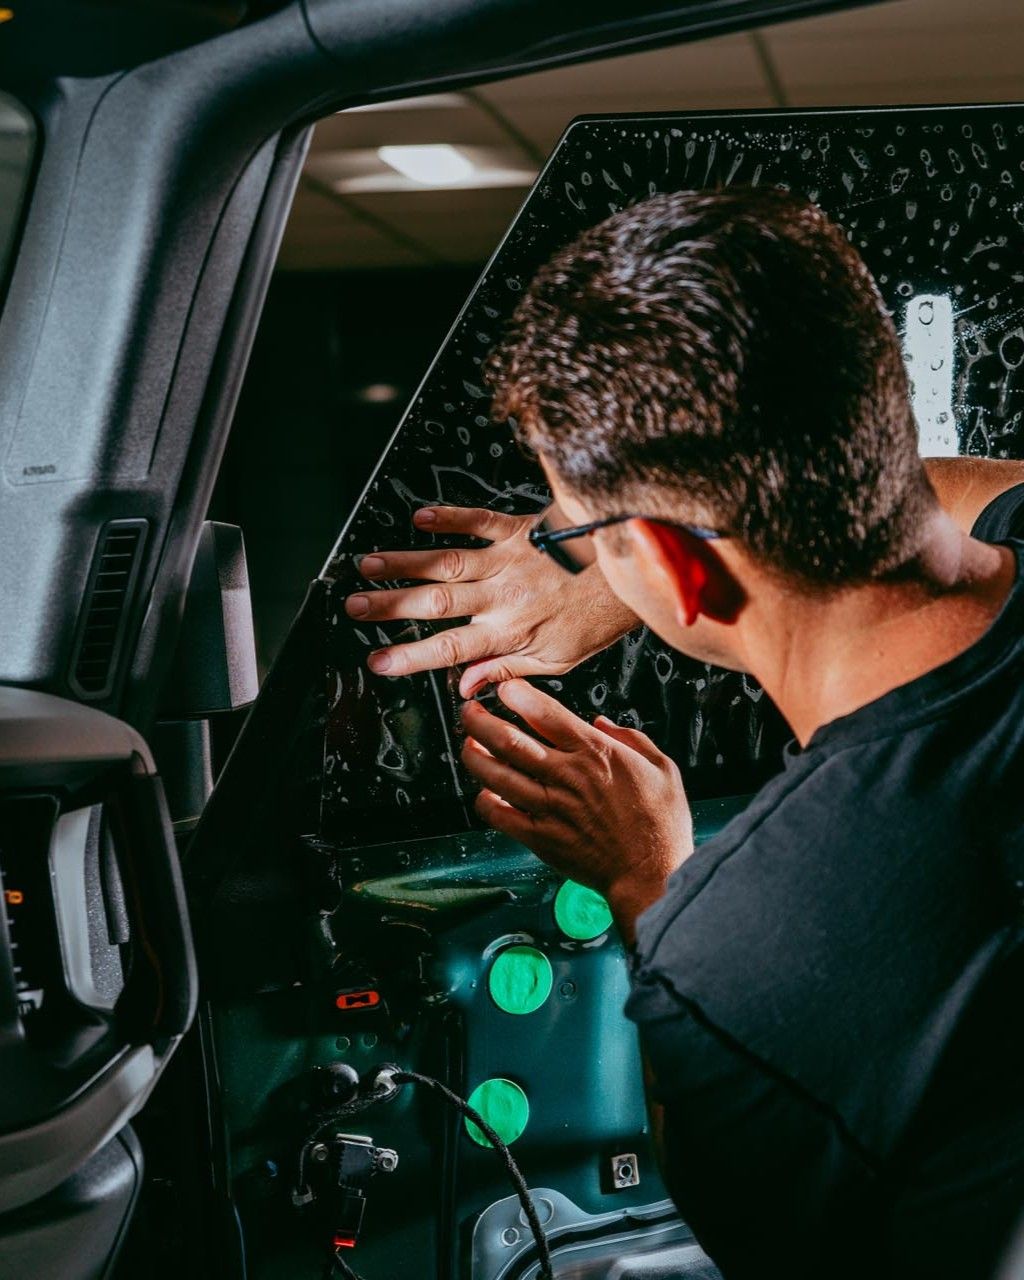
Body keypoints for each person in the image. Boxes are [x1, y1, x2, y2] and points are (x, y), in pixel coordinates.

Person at [345, 189, 1024, 1278]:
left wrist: (650, 884)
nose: (569, 548)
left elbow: (756, 1229)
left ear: (671, 565)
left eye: (575, 529)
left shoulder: (734, 949)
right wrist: (625, 560)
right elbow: (966, 496)